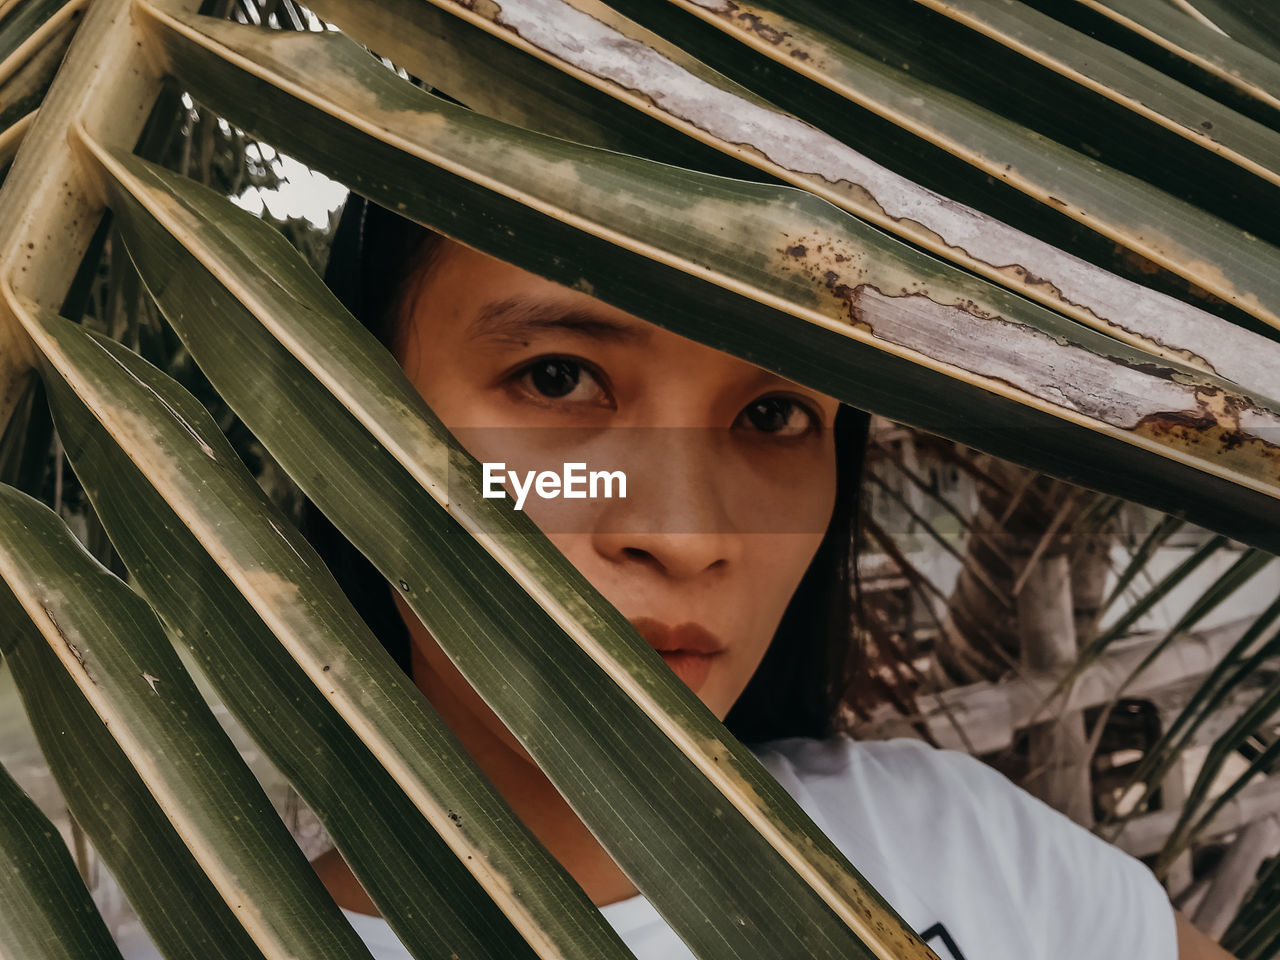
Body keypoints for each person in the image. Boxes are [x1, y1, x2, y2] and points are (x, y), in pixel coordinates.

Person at [114, 195, 1230, 960]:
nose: (689, 534)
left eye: (773, 413)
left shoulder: (962, 847)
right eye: (557, 377)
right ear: (345, 419)